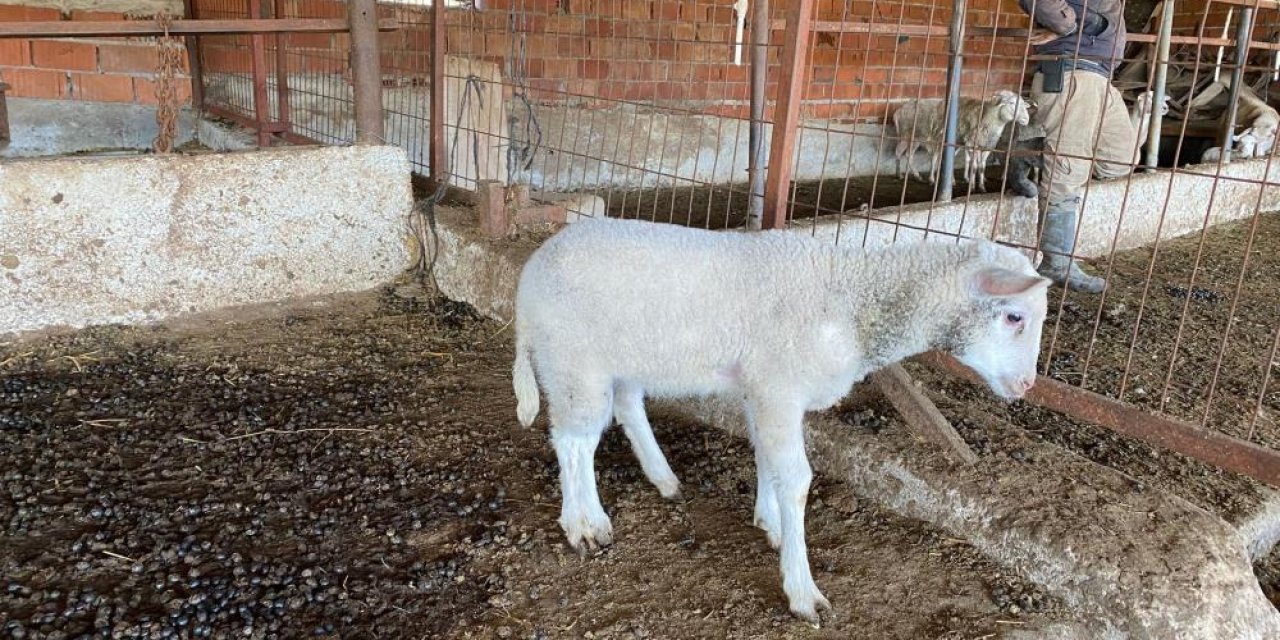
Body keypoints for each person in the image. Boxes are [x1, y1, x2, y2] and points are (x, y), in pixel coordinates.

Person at [1018, 0, 1132, 293]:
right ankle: (1056, 261)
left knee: (1120, 159)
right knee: (1068, 170)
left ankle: (1025, 155)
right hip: (1070, 71)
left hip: (1101, 75)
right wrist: (1076, 24)